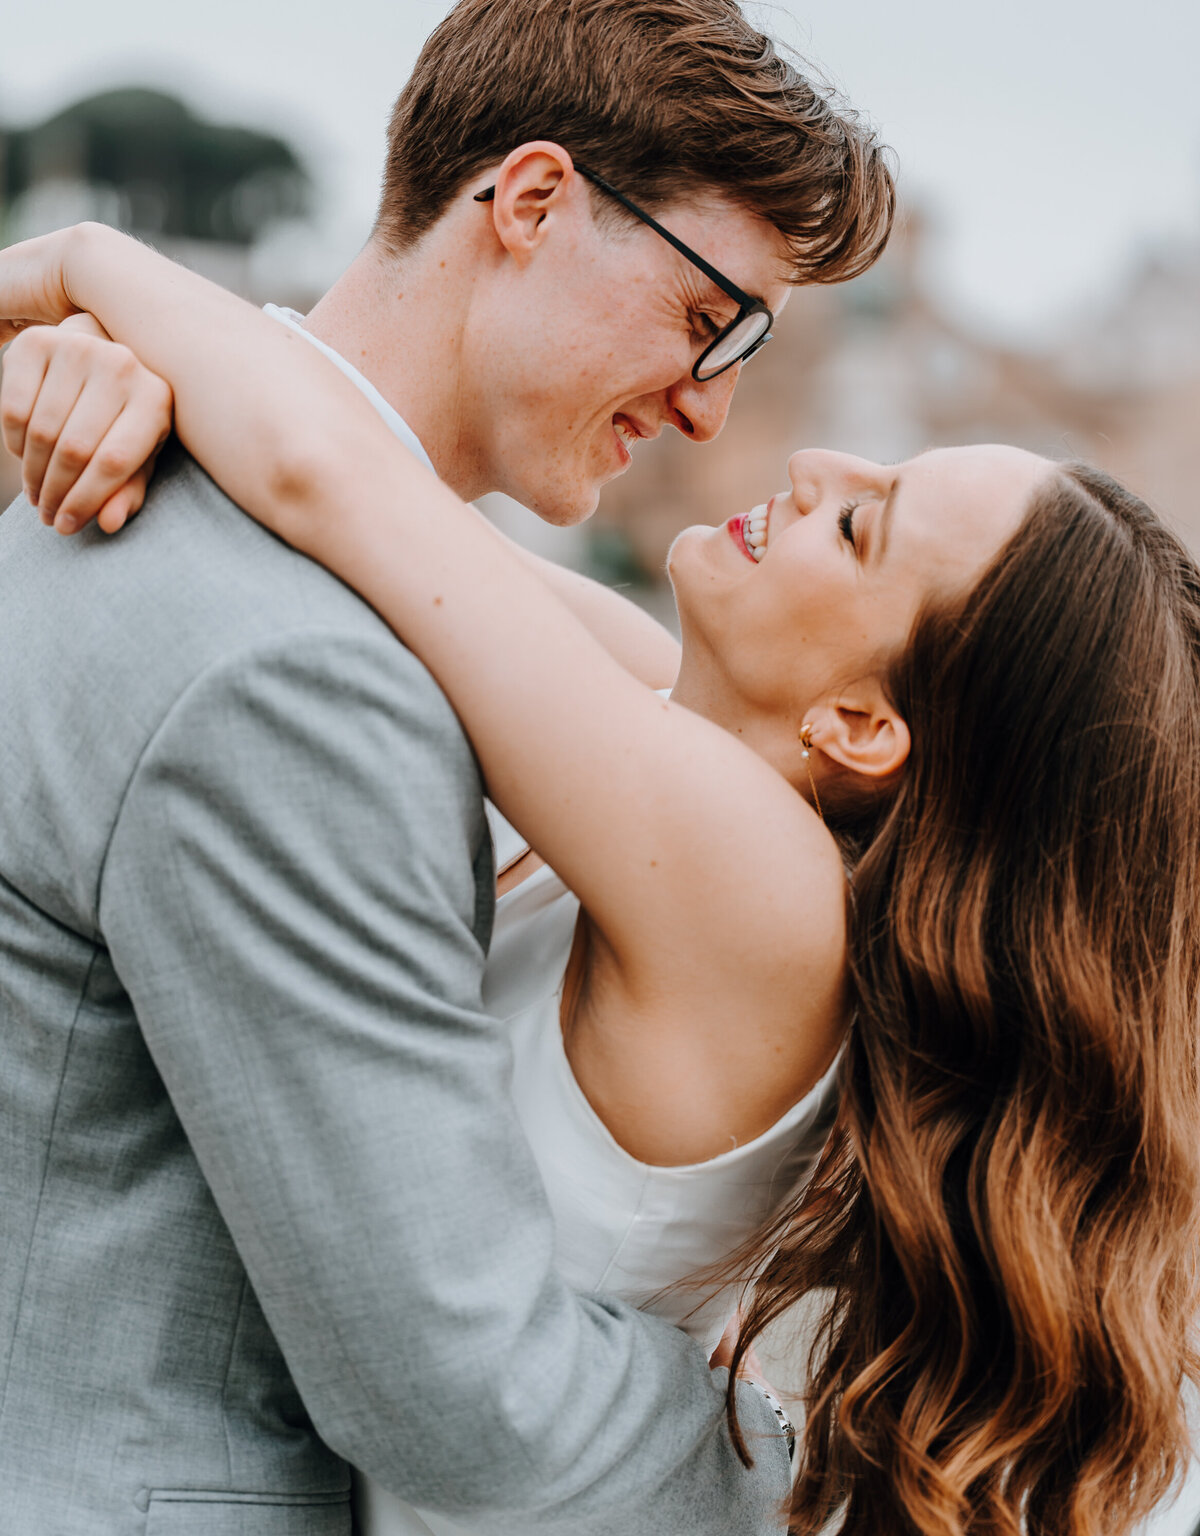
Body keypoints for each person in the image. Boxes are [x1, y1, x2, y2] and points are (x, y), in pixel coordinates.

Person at [4, 221, 1200, 1536]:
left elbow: (329, 476)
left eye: (862, 525)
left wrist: (80, 269)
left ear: (863, 725)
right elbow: (343, 472)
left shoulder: (758, 884)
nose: (813, 466)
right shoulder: (666, 736)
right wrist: (116, 375)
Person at [0, 0, 895, 1536]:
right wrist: (842, 1485)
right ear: (533, 201)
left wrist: (97, 286)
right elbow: (453, 1390)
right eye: (710, 319)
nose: (711, 409)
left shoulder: (196, 498)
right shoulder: (295, 668)